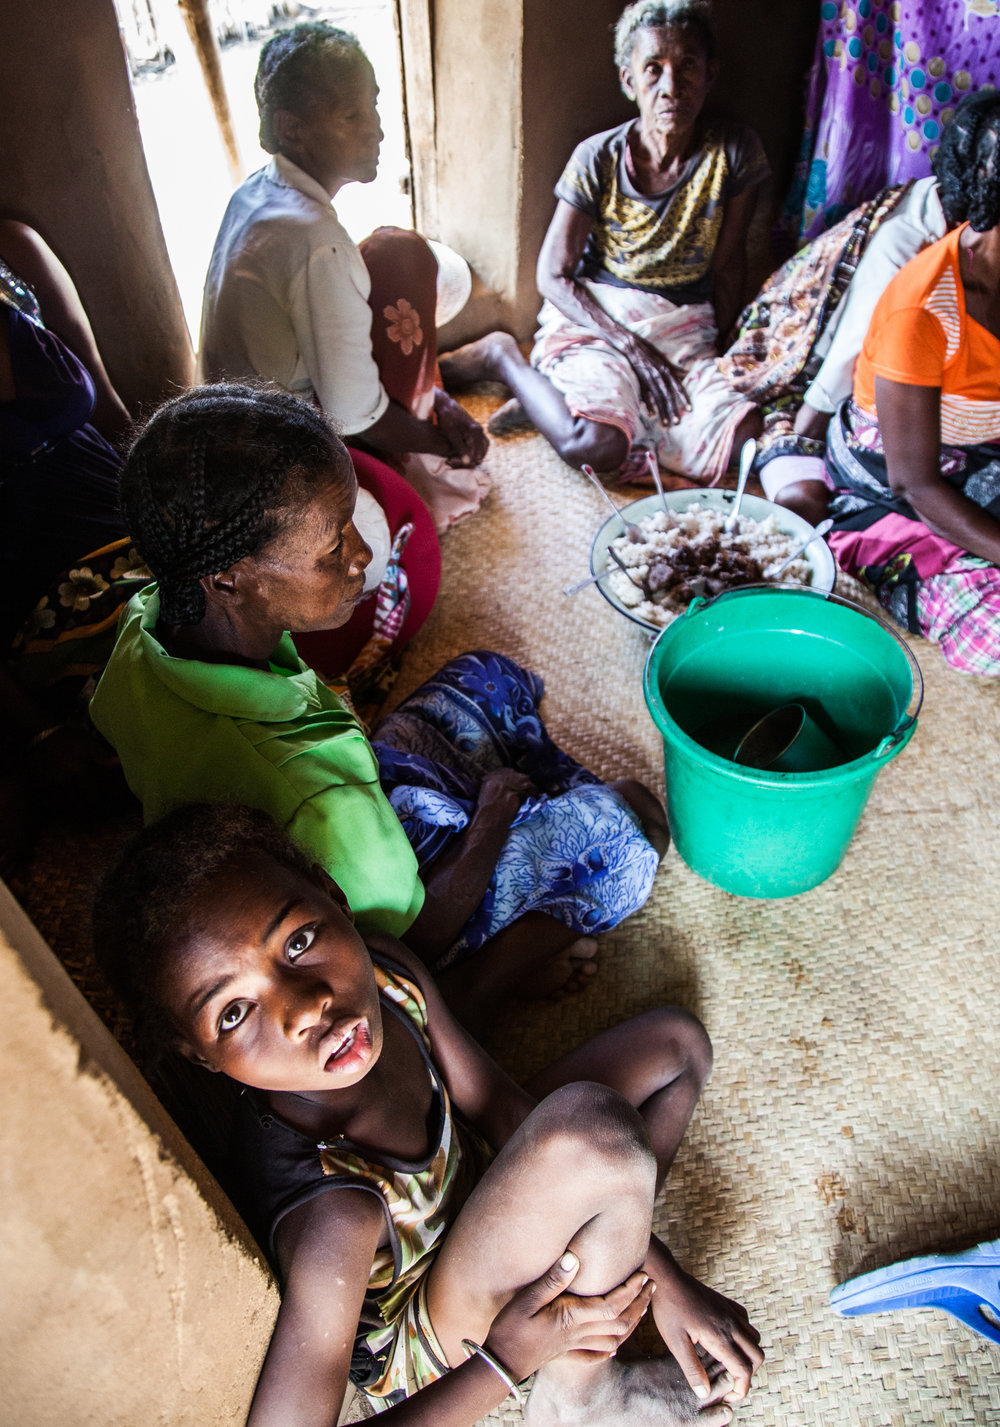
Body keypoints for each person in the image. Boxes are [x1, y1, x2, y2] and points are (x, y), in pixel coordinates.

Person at [93, 800, 764, 1426]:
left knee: (678, 1046)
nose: (304, 1007)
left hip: (469, 1172)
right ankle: (580, 1394)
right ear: (202, 1056)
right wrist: (510, 1358)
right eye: (234, 1012)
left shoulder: (387, 971)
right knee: (596, 1132)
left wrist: (665, 1278)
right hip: (434, 1324)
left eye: (298, 941)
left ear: (334, 896)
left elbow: (497, 1103)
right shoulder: (332, 1212)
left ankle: (597, 1230)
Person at [88, 384, 667, 1026]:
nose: (363, 555)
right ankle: (476, 991)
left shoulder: (142, 627)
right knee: (634, 824)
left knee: (489, 678)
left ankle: (519, 811)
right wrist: (494, 816)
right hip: (390, 926)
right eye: (334, 546)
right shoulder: (314, 799)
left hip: (344, 819)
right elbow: (416, 932)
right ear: (227, 577)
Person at [439, 0, 768, 486]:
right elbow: (553, 275)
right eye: (653, 70)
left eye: (688, 66)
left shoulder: (735, 152)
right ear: (628, 80)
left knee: (742, 441)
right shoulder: (598, 157)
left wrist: (719, 354)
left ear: (711, 73)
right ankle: (504, 357)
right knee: (594, 446)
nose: (671, 87)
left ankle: (566, 398)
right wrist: (631, 348)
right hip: (602, 314)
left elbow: (728, 265)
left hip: (683, 323)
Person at [199, 21, 492, 533]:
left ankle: (441, 398)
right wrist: (443, 441)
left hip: (237, 425)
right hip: (280, 455)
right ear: (293, 130)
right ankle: (399, 475)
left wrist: (437, 403)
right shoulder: (317, 243)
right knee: (387, 558)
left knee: (395, 252)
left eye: (374, 106)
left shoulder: (258, 191)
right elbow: (356, 417)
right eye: (352, 115)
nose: (377, 129)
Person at [814, 91, 1000, 677]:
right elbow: (914, 482)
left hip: (981, 453)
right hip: (894, 482)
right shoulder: (925, 308)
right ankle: (906, 586)